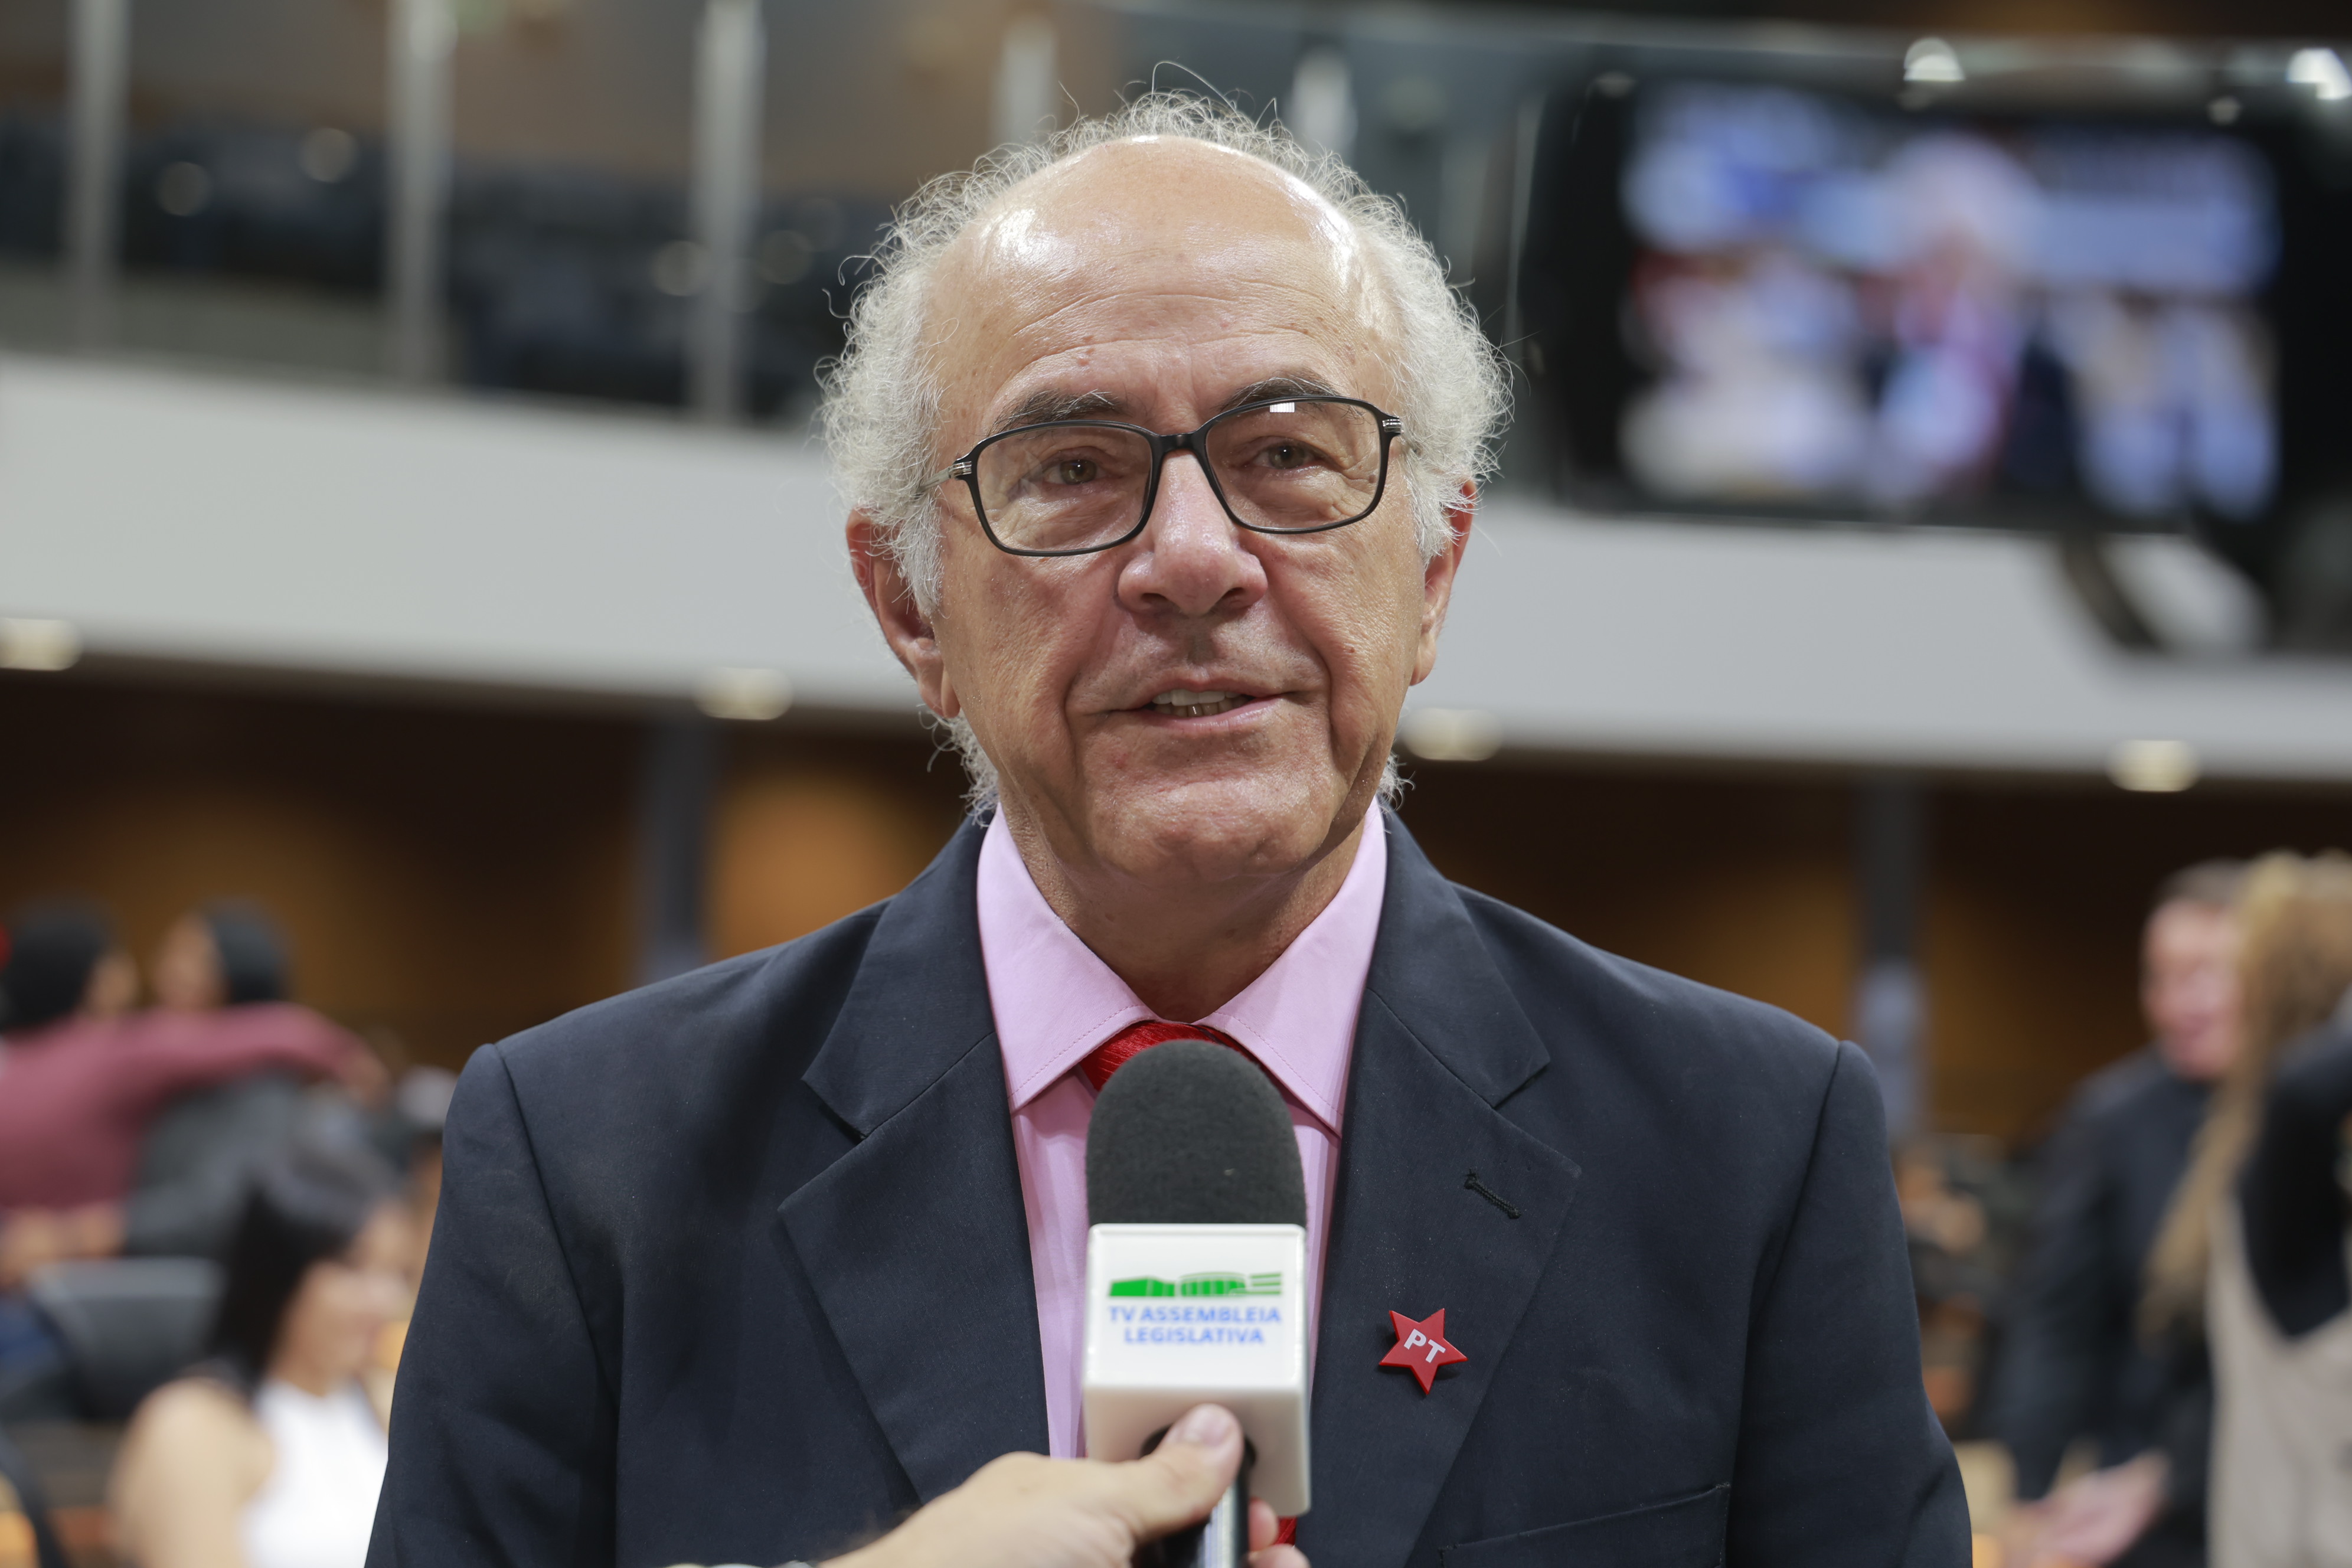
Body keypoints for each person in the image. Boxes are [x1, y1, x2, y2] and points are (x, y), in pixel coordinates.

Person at [371, 94, 1966, 1567]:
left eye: (1288, 455)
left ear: (1432, 574)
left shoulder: (1750, 1149)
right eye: (1071, 467)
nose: (1194, 559)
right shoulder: (591, 1160)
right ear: (909, 606)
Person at [1990, 861, 2244, 1501]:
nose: (2180, 1003)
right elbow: (2054, 1322)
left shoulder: (2309, 1107)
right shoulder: (2109, 1122)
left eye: (2208, 974)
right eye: (2161, 976)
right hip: (2139, 1485)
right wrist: (2031, 1486)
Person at [109, 1143, 414, 1568]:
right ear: (279, 1270)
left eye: (398, 1272)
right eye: (352, 1267)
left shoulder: (389, 1406)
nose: (385, 1299)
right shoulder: (193, 1426)